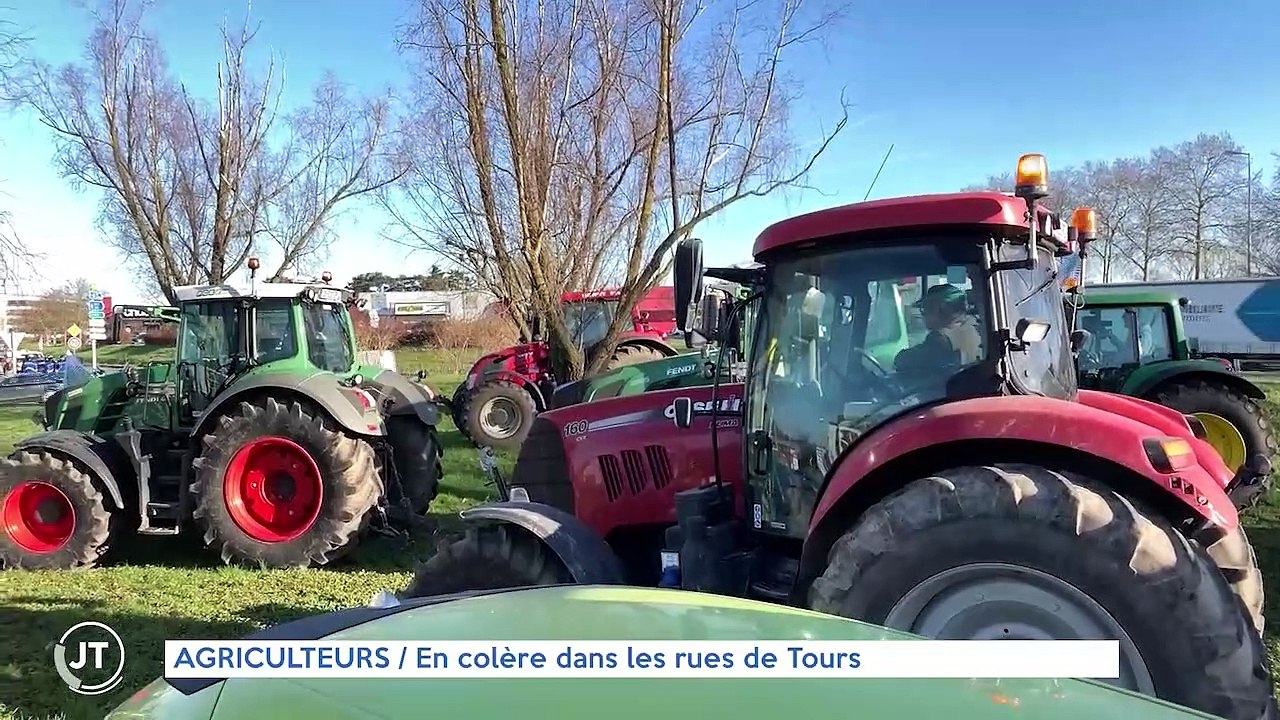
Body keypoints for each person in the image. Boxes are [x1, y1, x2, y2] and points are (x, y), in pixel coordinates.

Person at [894, 283, 982, 374]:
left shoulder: (940, 339)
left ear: (940, 309)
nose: (923, 315)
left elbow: (902, 361)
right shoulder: (975, 328)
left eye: (925, 309)